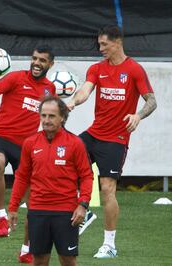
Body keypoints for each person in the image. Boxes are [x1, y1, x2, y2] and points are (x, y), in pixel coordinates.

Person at [67, 25, 157, 259]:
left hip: (116, 140)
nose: (101, 48)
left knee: (107, 189)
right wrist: (73, 101)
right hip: (94, 133)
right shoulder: (97, 68)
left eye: (104, 44)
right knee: (65, 158)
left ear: (118, 42)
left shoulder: (134, 69)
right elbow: (85, 91)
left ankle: (109, 245)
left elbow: (151, 101)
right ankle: (83, 211)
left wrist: (138, 115)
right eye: (99, 44)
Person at [0, 46, 56, 263]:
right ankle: (1, 217)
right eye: (34, 58)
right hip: (2, 138)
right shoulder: (15, 78)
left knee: (35, 203)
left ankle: (26, 249)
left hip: (28, 147)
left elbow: (52, 118)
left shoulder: (50, 89)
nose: (36, 63)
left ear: (50, 64)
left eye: (42, 60)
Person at [8, 95, 93, 266]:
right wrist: (13, 207)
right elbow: (22, 177)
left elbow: (86, 176)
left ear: (62, 117)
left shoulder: (75, 143)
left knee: (68, 260)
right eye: (43, 115)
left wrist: (83, 204)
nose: (46, 120)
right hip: (38, 210)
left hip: (66, 212)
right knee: (38, 261)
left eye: (52, 116)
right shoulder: (30, 143)